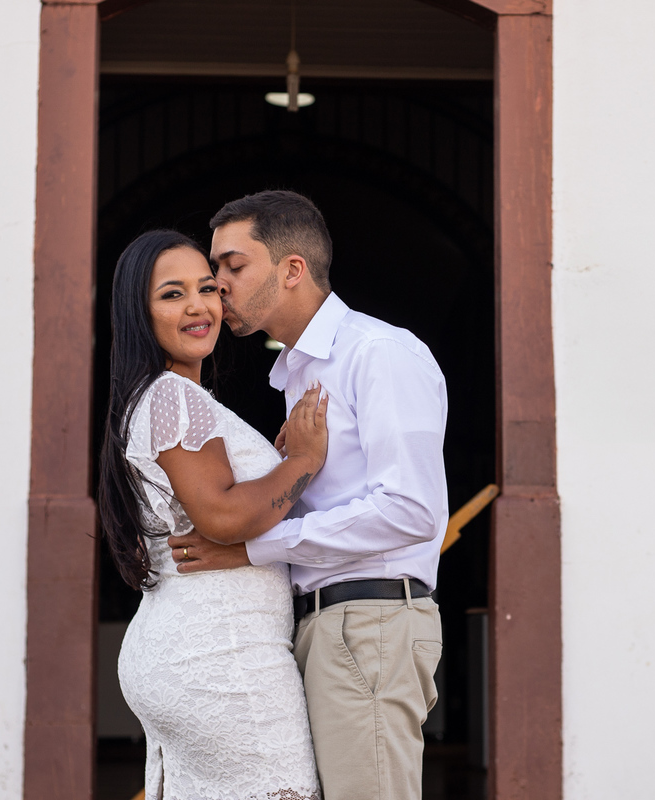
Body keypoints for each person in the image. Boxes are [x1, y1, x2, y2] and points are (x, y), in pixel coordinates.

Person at [168, 190, 448, 800]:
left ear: (292, 269)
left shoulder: (378, 355)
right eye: (213, 270)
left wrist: (257, 548)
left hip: (368, 621)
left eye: (232, 267)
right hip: (326, 624)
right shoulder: (298, 373)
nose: (216, 286)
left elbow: (413, 510)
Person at [96, 229, 329, 800]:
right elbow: (221, 516)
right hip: (221, 655)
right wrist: (301, 459)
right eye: (172, 294)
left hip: (189, 644)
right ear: (138, 312)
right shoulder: (174, 395)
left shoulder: (155, 396)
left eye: (207, 287)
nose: (199, 305)